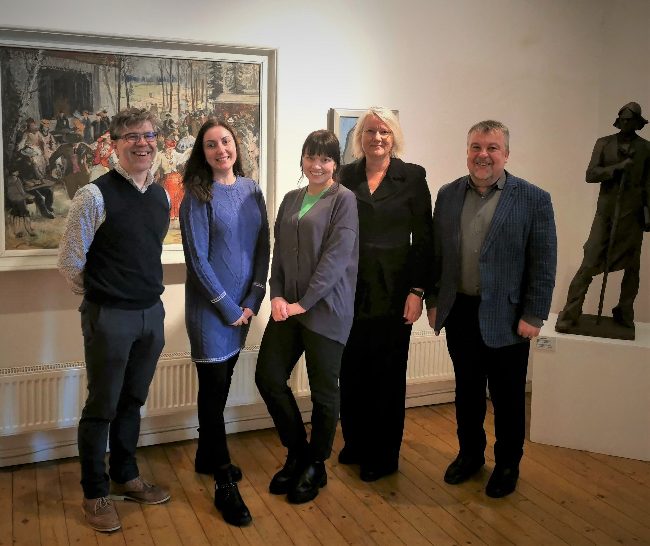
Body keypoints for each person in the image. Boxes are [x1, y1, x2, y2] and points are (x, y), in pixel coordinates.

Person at [426, 120, 557, 498]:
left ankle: (507, 463)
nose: (483, 155)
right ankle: (470, 455)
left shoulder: (533, 198)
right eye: (476, 147)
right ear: (467, 152)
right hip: (460, 312)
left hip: (510, 316)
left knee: (508, 397)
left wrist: (534, 314)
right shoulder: (448, 194)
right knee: (467, 392)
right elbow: (437, 254)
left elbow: (544, 261)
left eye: (492, 148)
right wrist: (434, 301)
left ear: (506, 154)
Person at [57, 107, 171, 532]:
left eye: (148, 135)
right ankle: (95, 493)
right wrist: (101, 295)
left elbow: (146, 250)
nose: (142, 143)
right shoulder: (94, 195)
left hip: (151, 314)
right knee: (102, 406)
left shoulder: (160, 196)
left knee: (132, 401)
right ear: (114, 143)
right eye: (131, 136)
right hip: (109, 316)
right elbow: (70, 261)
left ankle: (126, 475)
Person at [255, 130, 358, 504]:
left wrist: (305, 302)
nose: (317, 165)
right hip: (289, 308)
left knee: (324, 393)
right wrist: (277, 295)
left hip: (327, 310)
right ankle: (297, 451)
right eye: (311, 156)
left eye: (326, 158)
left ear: (335, 164)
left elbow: (336, 259)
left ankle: (316, 465)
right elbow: (280, 253)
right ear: (302, 158)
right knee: (268, 377)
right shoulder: (291, 199)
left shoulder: (343, 200)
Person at [179, 119, 270, 527]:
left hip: (243, 310)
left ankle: (205, 455)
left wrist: (252, 299)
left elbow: (263, 248)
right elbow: (198, 262)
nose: (221, 150)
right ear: (203, 153)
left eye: (226, 141)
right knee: (213, 395)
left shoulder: (251, 190)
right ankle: (223, 483)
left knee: (223, 386)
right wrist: (228, 308)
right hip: (212, 313)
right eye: (211, 145)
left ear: (237, 145)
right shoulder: (196, 196)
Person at [337, 106, 434, 482]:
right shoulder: (345, 175)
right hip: (350, 289)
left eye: (384, 132)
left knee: (387, 376)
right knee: (352, 371)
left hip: (395, 292)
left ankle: (383, 455)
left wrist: (417, 291)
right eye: (370, 131)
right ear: (360, 137)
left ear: (394, 137)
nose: (377, 138)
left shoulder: (412, 177)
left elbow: (423, 239)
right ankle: (356, 443)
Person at [556, 102, 650, 331]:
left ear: (638, 122)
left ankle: (624, 312)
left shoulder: (646, 148)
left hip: (633, 214)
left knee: (632, 267)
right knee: (590, 260)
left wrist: (648, 214)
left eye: (631, 120)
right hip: (606, 212)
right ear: (619, 120)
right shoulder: (604, 143)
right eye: (623, 119)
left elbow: (648, 184)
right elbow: (591, 174)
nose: (626, 123)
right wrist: (617, 168)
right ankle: (570, 313)